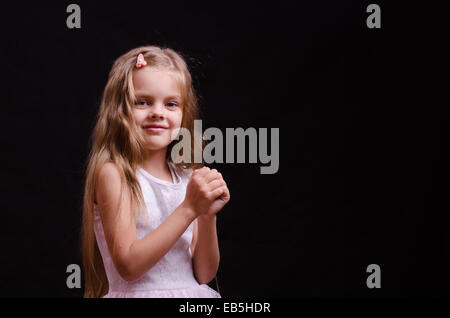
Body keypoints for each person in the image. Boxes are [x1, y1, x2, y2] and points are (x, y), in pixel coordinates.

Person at [80, 46, 230, 298]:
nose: (157, 112)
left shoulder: (186, 176)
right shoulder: (114, 174)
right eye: (142, 102)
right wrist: (189, 208)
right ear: (119, 110)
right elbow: (128, 266)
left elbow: (204, 274)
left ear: (183, 114)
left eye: (171, 104)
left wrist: (206, 216)